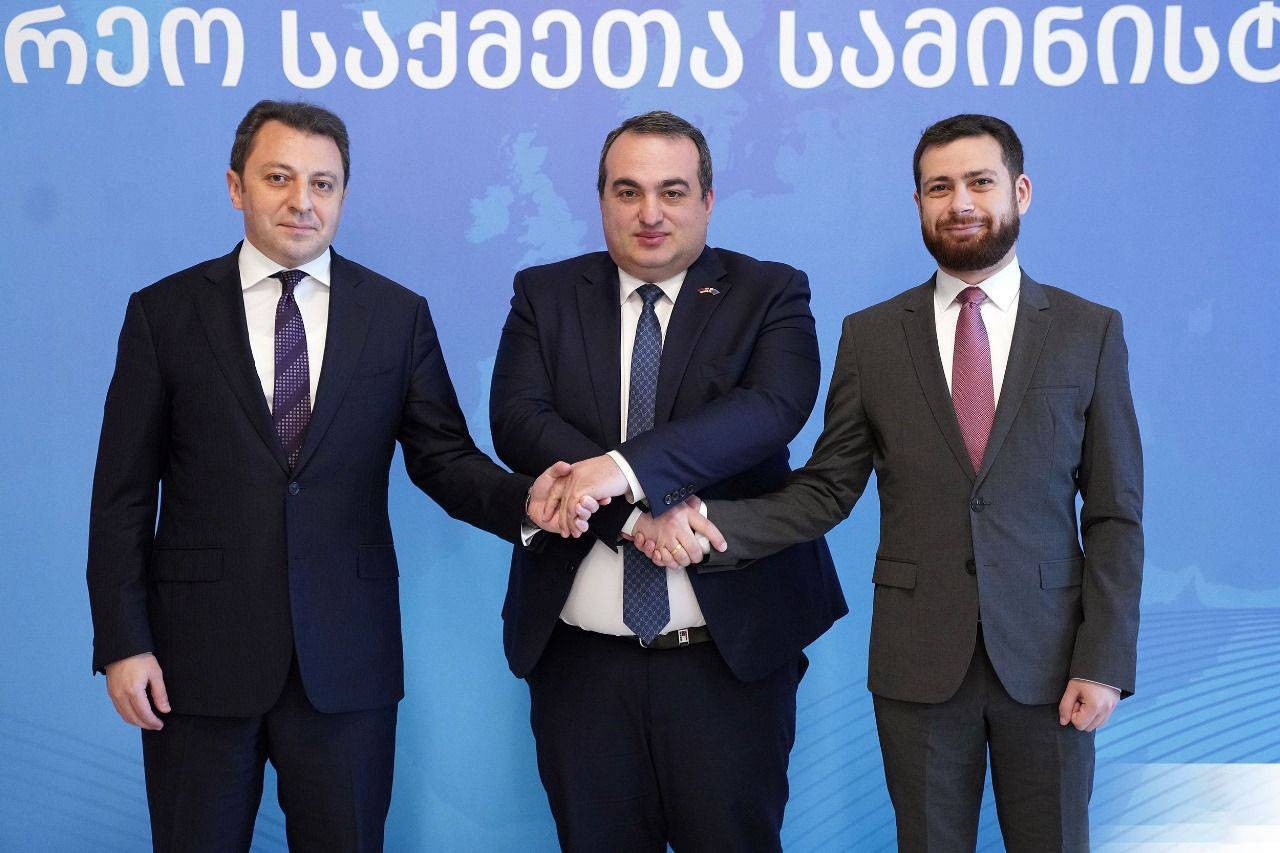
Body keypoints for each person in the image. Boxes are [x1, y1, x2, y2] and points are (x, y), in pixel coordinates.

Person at [632, 113, 1144, 851]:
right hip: (917, 665)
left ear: (1021, 191)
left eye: (979, 182)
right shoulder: (871, 336)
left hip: (1053, 665)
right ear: (918, 204)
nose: (959, 202)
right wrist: (711, 524)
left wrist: (1103, 662)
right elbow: (826, 488)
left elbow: (1114, 516)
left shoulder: (1088, 332)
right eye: (939, 187)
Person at [86, 99, 576, 851]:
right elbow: (121, 495)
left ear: (344, 194)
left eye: (323, 183)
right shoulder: (163, 314)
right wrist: (125, 642)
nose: (301, 200)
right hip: (195, 663)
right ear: (235, 186)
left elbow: (442, 456)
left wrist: (527, 502)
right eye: (278, 177)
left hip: (346, 660)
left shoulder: (395, 315)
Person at [489, 110, 847, 851]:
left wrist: (620, 470)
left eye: (672, 191)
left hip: (727, 660)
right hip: (581, 665)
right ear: (602, 201)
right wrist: (635, 514)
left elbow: (769, 410)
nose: (650, 213)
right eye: (628, 191)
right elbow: (518, 420)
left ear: (707, 200)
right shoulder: (544, 294)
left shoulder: (770, 291)